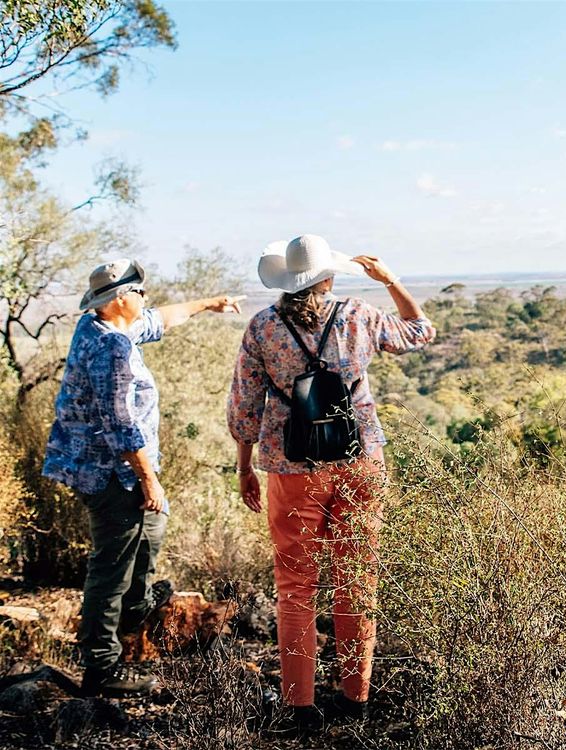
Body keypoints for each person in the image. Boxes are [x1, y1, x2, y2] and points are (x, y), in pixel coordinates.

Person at [227, 234, 435, 733]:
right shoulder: (359, 314)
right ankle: (354, 699)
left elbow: (244, 408)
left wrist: (244, 466)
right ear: (328, 277)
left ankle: (299, 708)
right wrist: (392, 281)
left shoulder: (263, 327)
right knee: (357, 580)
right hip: (360, 459)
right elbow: (419, 331)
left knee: (295, 586)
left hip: (291, 466)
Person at [42, 259, 244, 697]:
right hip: (112, 473)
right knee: (111, 568)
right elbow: (119, 423)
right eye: (138, 292)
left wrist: (211, 302)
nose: (145, 297)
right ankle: (101, 668)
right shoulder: (111, 347)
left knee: (151, 533)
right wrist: (148, 479)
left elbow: (160, 319)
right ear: (119, 299)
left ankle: (136, 607)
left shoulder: (107, 327)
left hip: (117, 470)